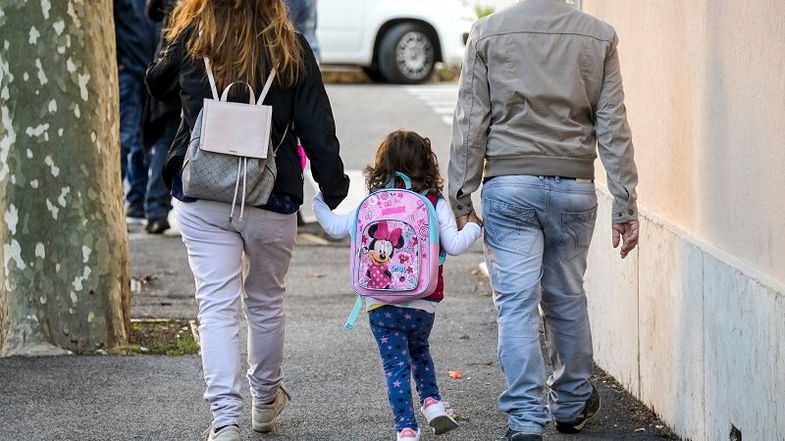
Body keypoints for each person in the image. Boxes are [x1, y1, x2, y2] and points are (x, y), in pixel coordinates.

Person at [145, 0, 350, 439]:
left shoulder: (192, 38)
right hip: (271, 194)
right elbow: (317, 125)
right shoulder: (289, 47)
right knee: (265, 302)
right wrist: (333, 188)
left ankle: (225, 421)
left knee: (215, 307)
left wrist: (181, 26)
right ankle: (264, 401)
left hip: (201, 193)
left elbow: (157, 84)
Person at [448, 1, 640, 440]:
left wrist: (460, 194)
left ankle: (525, 421)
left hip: (509, 186)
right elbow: (612, 124)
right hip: (573, 185)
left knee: (515, 305)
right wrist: (625, 201)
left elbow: (470, 119)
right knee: (566, 296)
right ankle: (571, 405)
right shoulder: (599, 35)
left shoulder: (488, 33)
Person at [313, 130, 482, 441]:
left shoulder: (373, 202)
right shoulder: (432, 200)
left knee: (395, 367)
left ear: (383, 165)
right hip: (423, 299)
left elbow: (336, 228)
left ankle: (406, 429)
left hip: (380, 302)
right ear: (426, 163)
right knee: (420, 351)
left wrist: (318, 202)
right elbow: (455, 246)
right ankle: (432, 405)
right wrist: (473, 225)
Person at [113, 0, 159, 222]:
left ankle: (137, 201)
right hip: (129, 71)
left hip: (151, 72)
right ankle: (119, 201)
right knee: (125, 137)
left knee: (145, 140)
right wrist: (116, 59)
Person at [141, 0, 180, 234]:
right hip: (184, 66)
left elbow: (152, 11)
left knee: (168, 140)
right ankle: (155, 209)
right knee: (169, 139)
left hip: (172, 65)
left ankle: (156, 210)